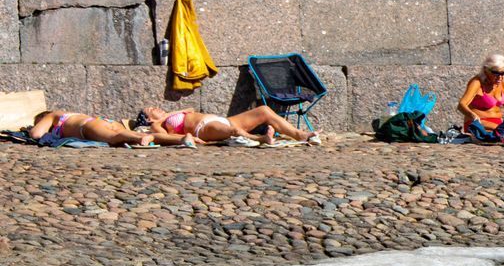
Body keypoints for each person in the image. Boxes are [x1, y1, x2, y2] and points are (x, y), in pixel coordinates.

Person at [140, 104, 320, 146]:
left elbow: (190, 107)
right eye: (151, 109)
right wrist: (187, 138)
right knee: (233, 130)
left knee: (264, 110)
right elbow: (163, 137)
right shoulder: (156, 126)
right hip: (203, 129)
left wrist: (166, 114)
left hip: (220, 118)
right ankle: (261, 138)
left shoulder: (170, 115)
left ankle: (299, 134)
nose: (156, 107)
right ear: (148, 120)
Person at [27, 109, 190, 147]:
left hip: (87, 128)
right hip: (101, 120)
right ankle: (184, 139)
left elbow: (36, 134)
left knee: (122, 137)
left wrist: (30, 129)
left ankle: (143, 138)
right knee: (125, 133)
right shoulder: (71, 114)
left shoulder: (54, 115)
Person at [458, 54, 504, 133]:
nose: (500, 77)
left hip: (497, 122)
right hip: (479, 122)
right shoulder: (476, 83)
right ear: (486, 70)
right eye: (496, 73)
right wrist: (473, 116)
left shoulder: (501, 81)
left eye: (503, 73)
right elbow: (461, 105)